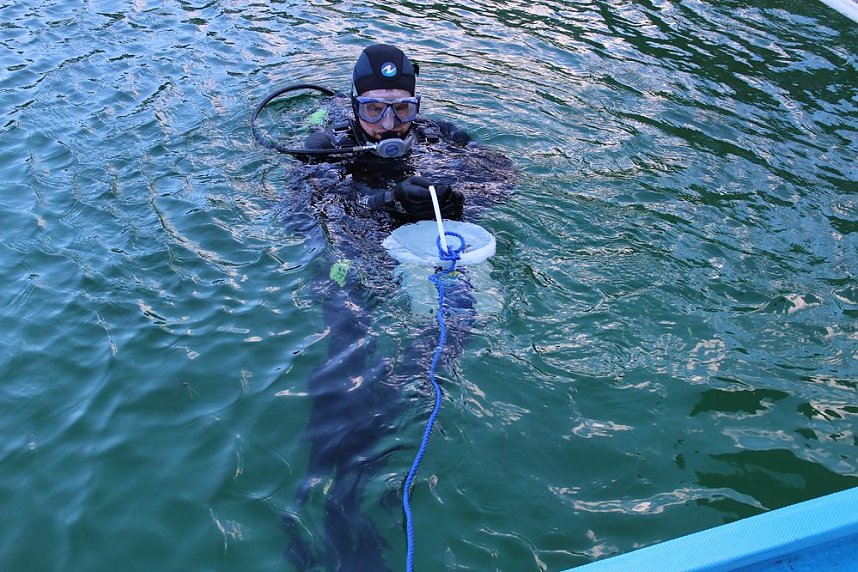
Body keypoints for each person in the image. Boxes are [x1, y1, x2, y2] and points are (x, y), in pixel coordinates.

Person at [278, 43, 515, 571]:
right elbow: (298, 211)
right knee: (348, 336)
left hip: (420, 252)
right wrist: (377, 204)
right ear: (355, 106)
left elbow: (505, 176)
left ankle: (381, 444)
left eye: (402, 109)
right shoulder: (326, 147)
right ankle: (329, 497)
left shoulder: (438, 139)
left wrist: (459, 202)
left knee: (452, 327)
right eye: (374, 109)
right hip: (351, 257)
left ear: (416, 105)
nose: (389, 124)